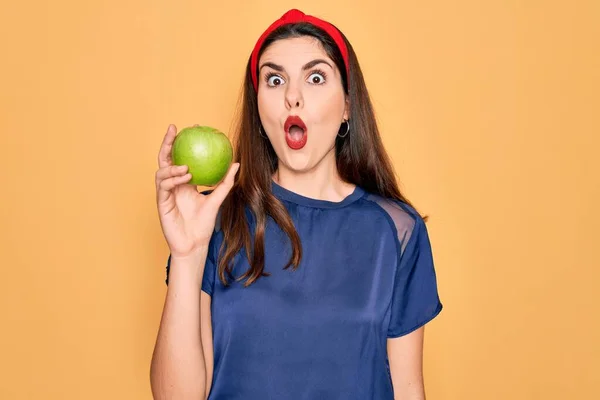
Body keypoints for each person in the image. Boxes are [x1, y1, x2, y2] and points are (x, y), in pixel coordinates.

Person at [150, 8, 443, 400]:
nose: (293, 96)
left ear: (347, 108)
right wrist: (186, 254)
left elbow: (408, 390)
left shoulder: (397, 231)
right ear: (259, 110)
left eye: (316, 77)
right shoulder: (216, 222)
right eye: (275, 79)